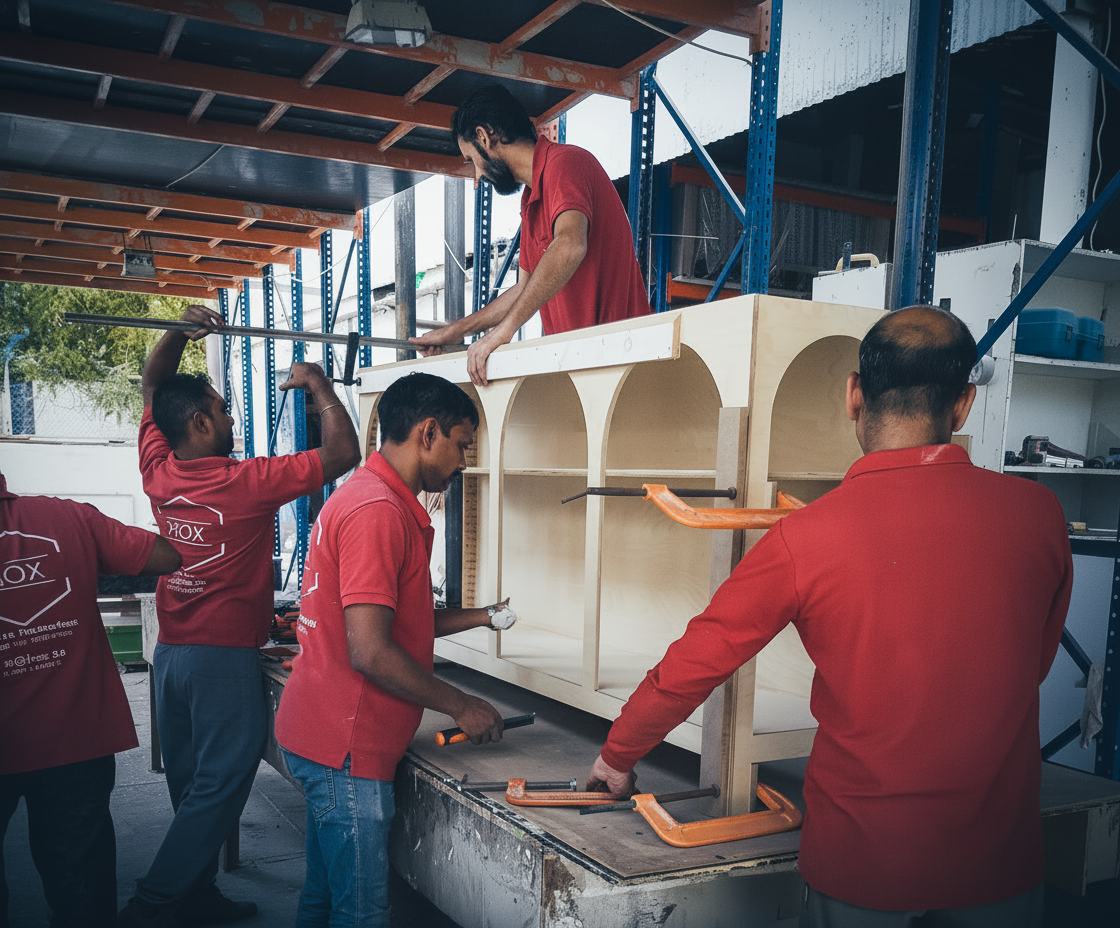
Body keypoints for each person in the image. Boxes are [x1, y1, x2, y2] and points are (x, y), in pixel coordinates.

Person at [586, 307, 1073, 927]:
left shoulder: (806, 538)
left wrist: (617, 755)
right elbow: (1030, 664)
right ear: (964, 406)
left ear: (853, 395)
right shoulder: (1039, 515)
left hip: (863, 861)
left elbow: (699, 658)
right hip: (997, 861)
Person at [119, 305, 361, 927]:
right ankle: (155, 902)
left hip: (170, 654)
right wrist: (317, 384)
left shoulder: (158, 468)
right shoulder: (245, 482)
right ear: (200, 422)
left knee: (192, 783)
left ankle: (194, 895)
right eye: (224, 410)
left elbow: (154, 388)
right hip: (220, 658)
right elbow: (341, 454)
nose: (231, 418)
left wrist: (177, 334)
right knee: (223, 779)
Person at [275, 371, 509, 928]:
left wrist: (481, 616)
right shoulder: (376, 511)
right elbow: (372, 652)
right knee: (361, 913)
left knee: (324, 897)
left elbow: (396, 621)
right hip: (345, 748)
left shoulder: (373, 497)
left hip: (328, 734)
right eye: (462, 444)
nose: (464, 461)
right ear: (428, 432)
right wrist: (462, 704)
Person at [0, 469, 181, 928]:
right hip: (74, 743)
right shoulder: (65, 517)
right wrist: (83, 557)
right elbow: (166, 556)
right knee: (81, 890)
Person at [411, 84, 651, 386]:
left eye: (472, 160)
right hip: (580, 365)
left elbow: (570, 245)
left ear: (485, 137)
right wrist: (456, 331)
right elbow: (524, 289)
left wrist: (504, 331)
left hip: (620, 357)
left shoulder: (565, 164)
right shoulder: (531, 200)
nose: (477, 175)